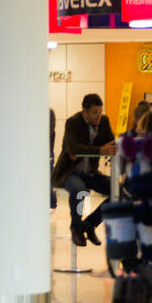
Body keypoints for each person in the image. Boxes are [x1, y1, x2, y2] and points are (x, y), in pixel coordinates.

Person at [53, 93, 116, 247]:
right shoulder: (72, 122)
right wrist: (100, 150)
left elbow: (111, 144)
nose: (99, 116)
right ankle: (76, 226)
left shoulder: (104, 121)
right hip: (70, 172)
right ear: (85, 111)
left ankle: (89, 224)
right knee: (79, 190)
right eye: (95, 112)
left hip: (90, 173)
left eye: (100, 111)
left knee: (118, 192)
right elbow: (73, 148)